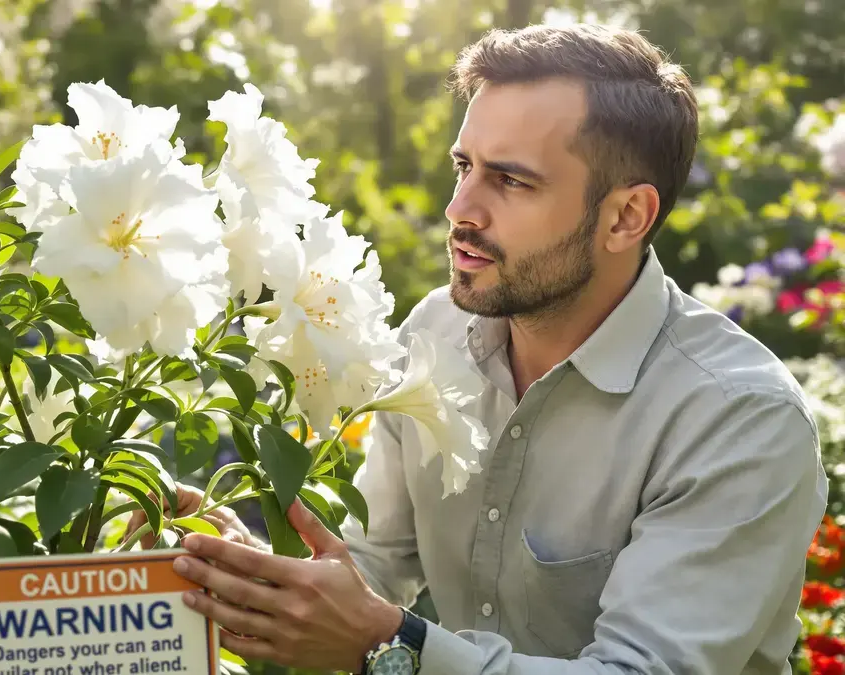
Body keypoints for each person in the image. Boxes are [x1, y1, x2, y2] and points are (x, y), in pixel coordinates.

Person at [127, 23, 829, 674]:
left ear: (625, 217)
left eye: (511, 180)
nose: (460, 208)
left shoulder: (739, 418)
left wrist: (389, 646)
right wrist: (249, 576)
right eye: (464, 166)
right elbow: (373, 564)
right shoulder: (438, 333)